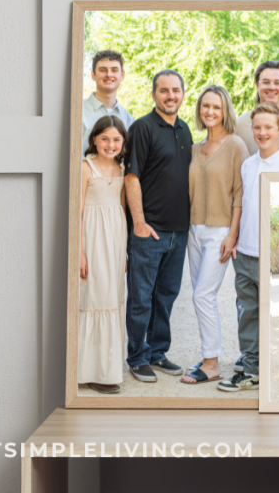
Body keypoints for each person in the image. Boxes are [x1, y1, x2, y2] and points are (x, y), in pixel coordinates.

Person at [219, 102, 279, 392]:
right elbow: (240, 204)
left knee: (273, 315)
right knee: (247, 314)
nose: (262, 132)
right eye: (257, 127)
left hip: (270, 257)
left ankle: (277, 369)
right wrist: (232, 237)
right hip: (245, 254)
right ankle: (252, 370)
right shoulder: (248, 164)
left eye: (269, 127)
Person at [124, 69, 192, 383]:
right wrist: (138, 223)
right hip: (149, 231)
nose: (170, 96)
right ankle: (137, 356)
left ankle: (157, 352)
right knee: (141, 297)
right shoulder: (142, 128)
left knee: (166, 295)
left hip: (179, 231)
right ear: (154, 95)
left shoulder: (185, 130)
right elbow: (132, 177)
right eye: (163, 91)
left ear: (182, 93)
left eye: (175, 90)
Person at [181, 85, 248, 385]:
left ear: (225, 111)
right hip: (194, 230)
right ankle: (209, 356)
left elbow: (240, 193)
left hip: (220, 230)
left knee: (202, 295)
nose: (209, 111)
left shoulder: (236, 145)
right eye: (205, 106)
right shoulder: (195, 148)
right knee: (200, 296)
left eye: (216, 107)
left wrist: (232, 234)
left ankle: (211, 363)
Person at [77, 116, 129, 394]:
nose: (110, 144)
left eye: (116, 139)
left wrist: (125, 250)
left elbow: (121, 207)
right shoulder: (86, 167)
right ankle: (90, 370)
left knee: (113, 298)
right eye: (105, 138)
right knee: (94, 297)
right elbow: (78, 210)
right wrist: (79, 252)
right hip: (92, 236)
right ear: (94, 139)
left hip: (115, 238)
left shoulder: (122, 167)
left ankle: (109, 366)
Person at [234, 60, 279, 157]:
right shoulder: (238, 126)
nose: (272, 87)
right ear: (257, 86)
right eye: (266, 82)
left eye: (277, 83)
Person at [82, 49, 134, 156]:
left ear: (122, 75)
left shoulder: (128, 119)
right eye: (102, 70)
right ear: (93, 75)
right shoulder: (78, 112)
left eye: (114, 70)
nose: (109, 74)